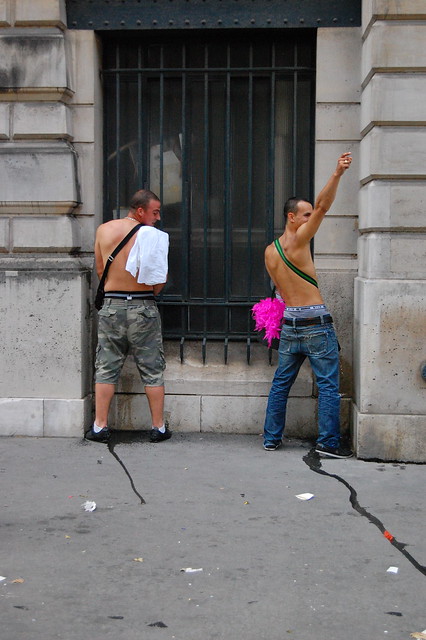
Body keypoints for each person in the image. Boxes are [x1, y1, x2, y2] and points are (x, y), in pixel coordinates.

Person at [262, 152, 353, 458]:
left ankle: (271, 438)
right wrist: (337, 173)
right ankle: (328, 443)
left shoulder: (269, 252)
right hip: (315, 323)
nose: (310, 218)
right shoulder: (298, 241)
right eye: (305, 215)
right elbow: (325, 207)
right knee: (328, 385)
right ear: (291, 217)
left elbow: (278, 292)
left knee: (281, 383)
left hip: (290, 323)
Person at [85, 189, 171, 444]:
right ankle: (158, 427)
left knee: (106, 367)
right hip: (143, 305)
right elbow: (159, 278)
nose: (157, 217)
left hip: (112, 305)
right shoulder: (153, 236)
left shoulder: (104, 230)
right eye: (154, 212)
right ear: (140, 210)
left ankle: (100, 426)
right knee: (152, 369)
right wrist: (144, 292)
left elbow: (100, 269)